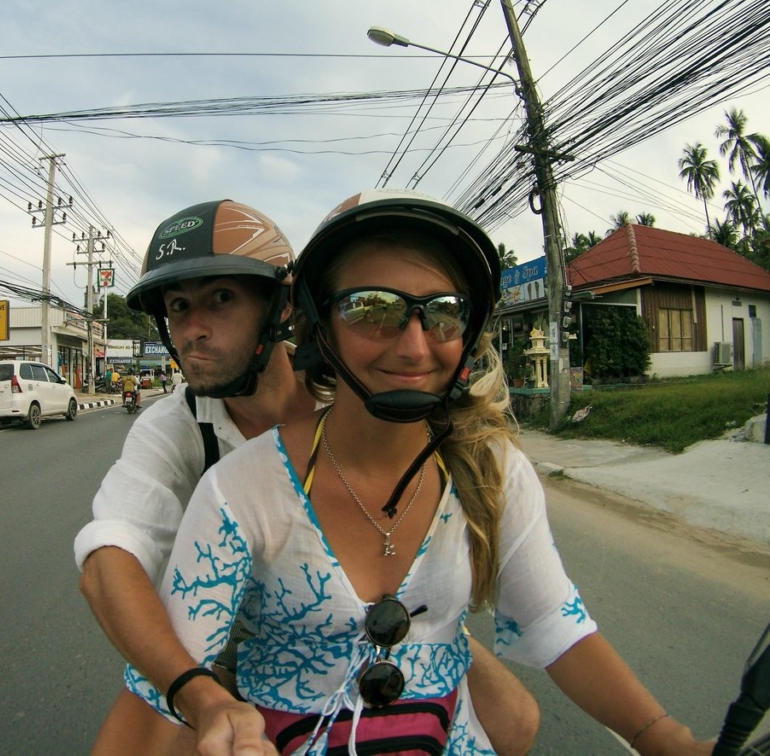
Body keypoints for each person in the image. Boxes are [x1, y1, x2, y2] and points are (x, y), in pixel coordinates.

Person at [127, 190, 713, 756]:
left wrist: (662, 737)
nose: (413, 348)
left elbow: (553, 621)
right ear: (318, 326)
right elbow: (166, 676)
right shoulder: (239, 490)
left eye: (442, 314)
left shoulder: (491, 469)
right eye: (372, 310)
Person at [77, 199, 538, 756]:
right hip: (233, 642)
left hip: (381, 615)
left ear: (282, 306)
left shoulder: (352, 386)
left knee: (515, 721)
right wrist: (195, 691)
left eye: (220, 298)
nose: (193, 330)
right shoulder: (174, 426)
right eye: (178, 307)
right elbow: (111, 554)